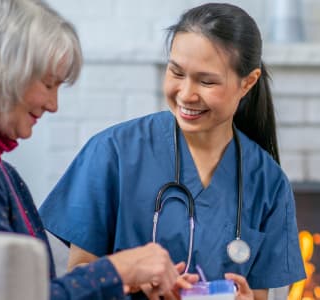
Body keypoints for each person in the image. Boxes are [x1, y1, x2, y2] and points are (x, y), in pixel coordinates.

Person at [0, 0, 196, 299]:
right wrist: (117, 270)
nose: (53, 105)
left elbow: (30, 290)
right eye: (49, 85)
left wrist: (125, 278)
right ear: (3, 72)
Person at [39, 2, 306, 300]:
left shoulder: (268, 183)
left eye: (206, 81)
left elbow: (259, 294)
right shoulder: (113, 153)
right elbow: (79, 278)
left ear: (248, 82)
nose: (186, 94)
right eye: (176, 72)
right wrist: (133, 279)